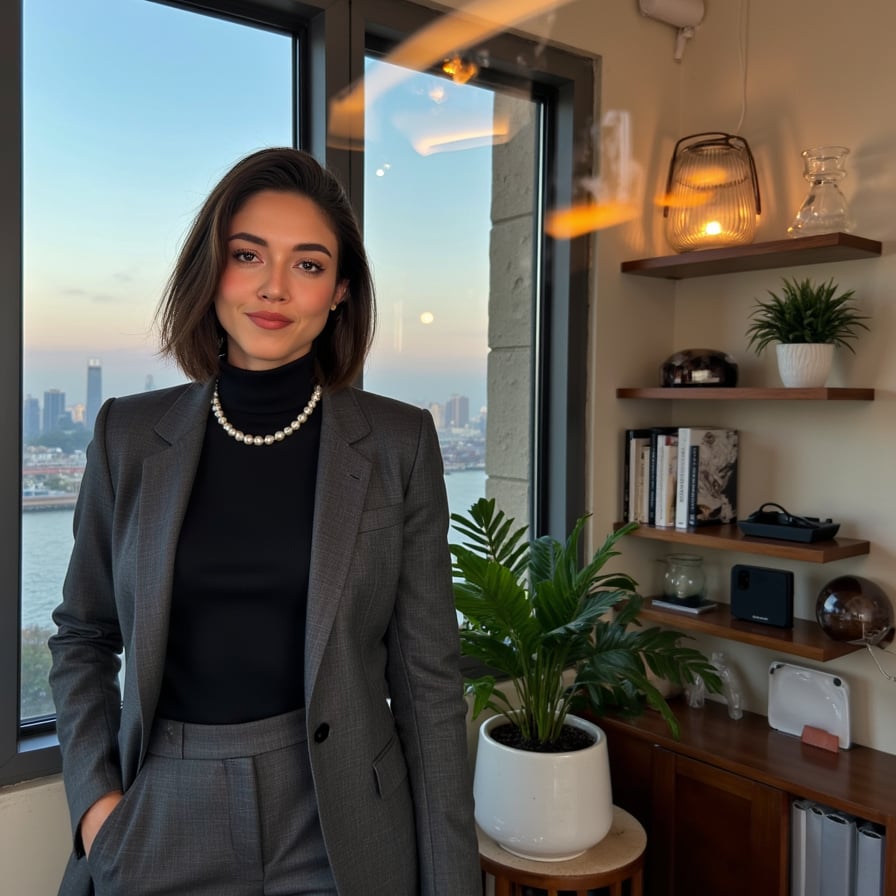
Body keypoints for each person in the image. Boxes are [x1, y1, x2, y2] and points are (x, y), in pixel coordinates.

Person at [49, 147, 482, 896]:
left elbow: (428, 685)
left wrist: (452, 883)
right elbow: (83, 636)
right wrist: (98, 810)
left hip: (341, 818)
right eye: (248, 255)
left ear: (341, 290)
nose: (274, 287)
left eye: (309, 265)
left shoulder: (398, 444)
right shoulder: (127, 435)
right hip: (163, 810)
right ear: (211, 270)